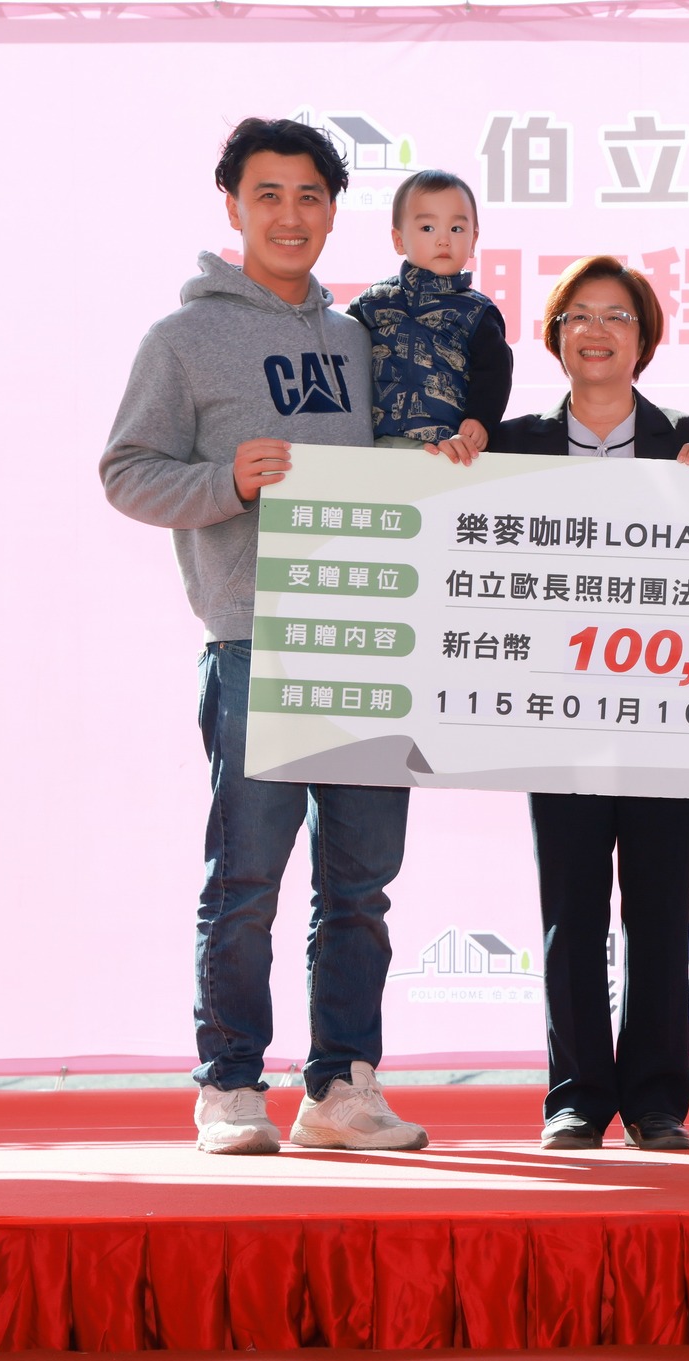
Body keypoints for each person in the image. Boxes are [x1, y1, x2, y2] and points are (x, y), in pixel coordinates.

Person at [99, 118, 426, 1156]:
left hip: (369, 641)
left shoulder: (359, 340)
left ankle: (341, 1087)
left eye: (309, 196)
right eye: (268, 195)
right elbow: (126, 472)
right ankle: (231, 1084)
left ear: (334, 211)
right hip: (255, 643)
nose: (290, 216)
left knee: (360, 886)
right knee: (245, 881)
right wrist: (224, 481)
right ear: (232, 206)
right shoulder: (182, 340)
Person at [486, 256, 689, 1151]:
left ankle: (657, 1099)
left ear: (643, 338)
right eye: (578, 315)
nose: (597, 330)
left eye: (617, 316)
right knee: (571, 911)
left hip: (666, 714)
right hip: (555, 714)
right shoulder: (511, 443)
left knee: (659, 910)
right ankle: (577, 1095)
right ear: (555, 336)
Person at [346, 169, 513, 459]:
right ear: (399, 240)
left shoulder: (477, 313)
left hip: (443, 451)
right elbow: (339, 360)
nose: (443, 240)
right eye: (427, 228)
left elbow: (494, 373)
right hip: (368, 449)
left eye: (456, 229)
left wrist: (481, 419)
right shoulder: (372, 303)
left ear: (473, 240)